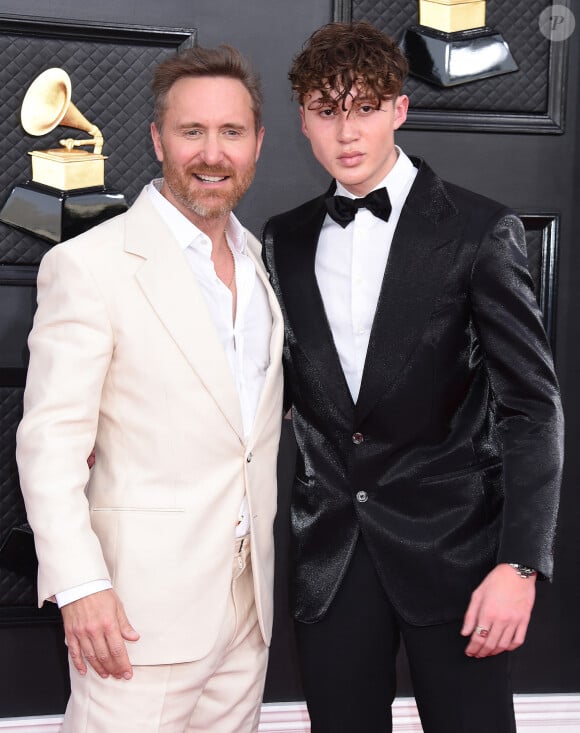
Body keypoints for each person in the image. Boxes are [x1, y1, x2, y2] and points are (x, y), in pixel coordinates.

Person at [262, 21, 563, 733]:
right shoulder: (284, 237)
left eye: (365, 107)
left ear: (399, 108)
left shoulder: (477, 229)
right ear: (302, 117)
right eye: (327, 110)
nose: (347, 132)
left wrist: (519, 565)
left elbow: (532, 409)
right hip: (331, 554)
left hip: (458, 553)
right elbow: (269, 389)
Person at [16, 45, 283, 733]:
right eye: (192, 131)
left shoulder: (259, 263)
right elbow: (49, 445)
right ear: (157, 139)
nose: (213, 153)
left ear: (257, 143)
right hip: (134, 619)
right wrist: (80, 586)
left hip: (247, 614)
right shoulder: (88, 265)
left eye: (231, 132)